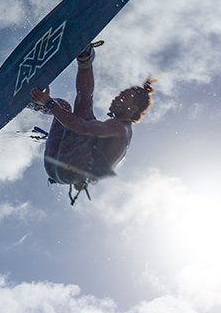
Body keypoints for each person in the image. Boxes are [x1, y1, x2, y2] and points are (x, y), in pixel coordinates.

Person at [29, 42, 156, 204]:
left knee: (78, 112)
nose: (117, 98)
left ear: (132, 110)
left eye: (124, 98)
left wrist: (49, 103)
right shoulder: (117, 133)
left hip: (67, 169)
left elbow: (83, 127)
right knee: (63, 106)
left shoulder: (120, 129)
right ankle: (31, 100)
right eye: (120, 94)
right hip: (56, 168)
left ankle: (85, 58)